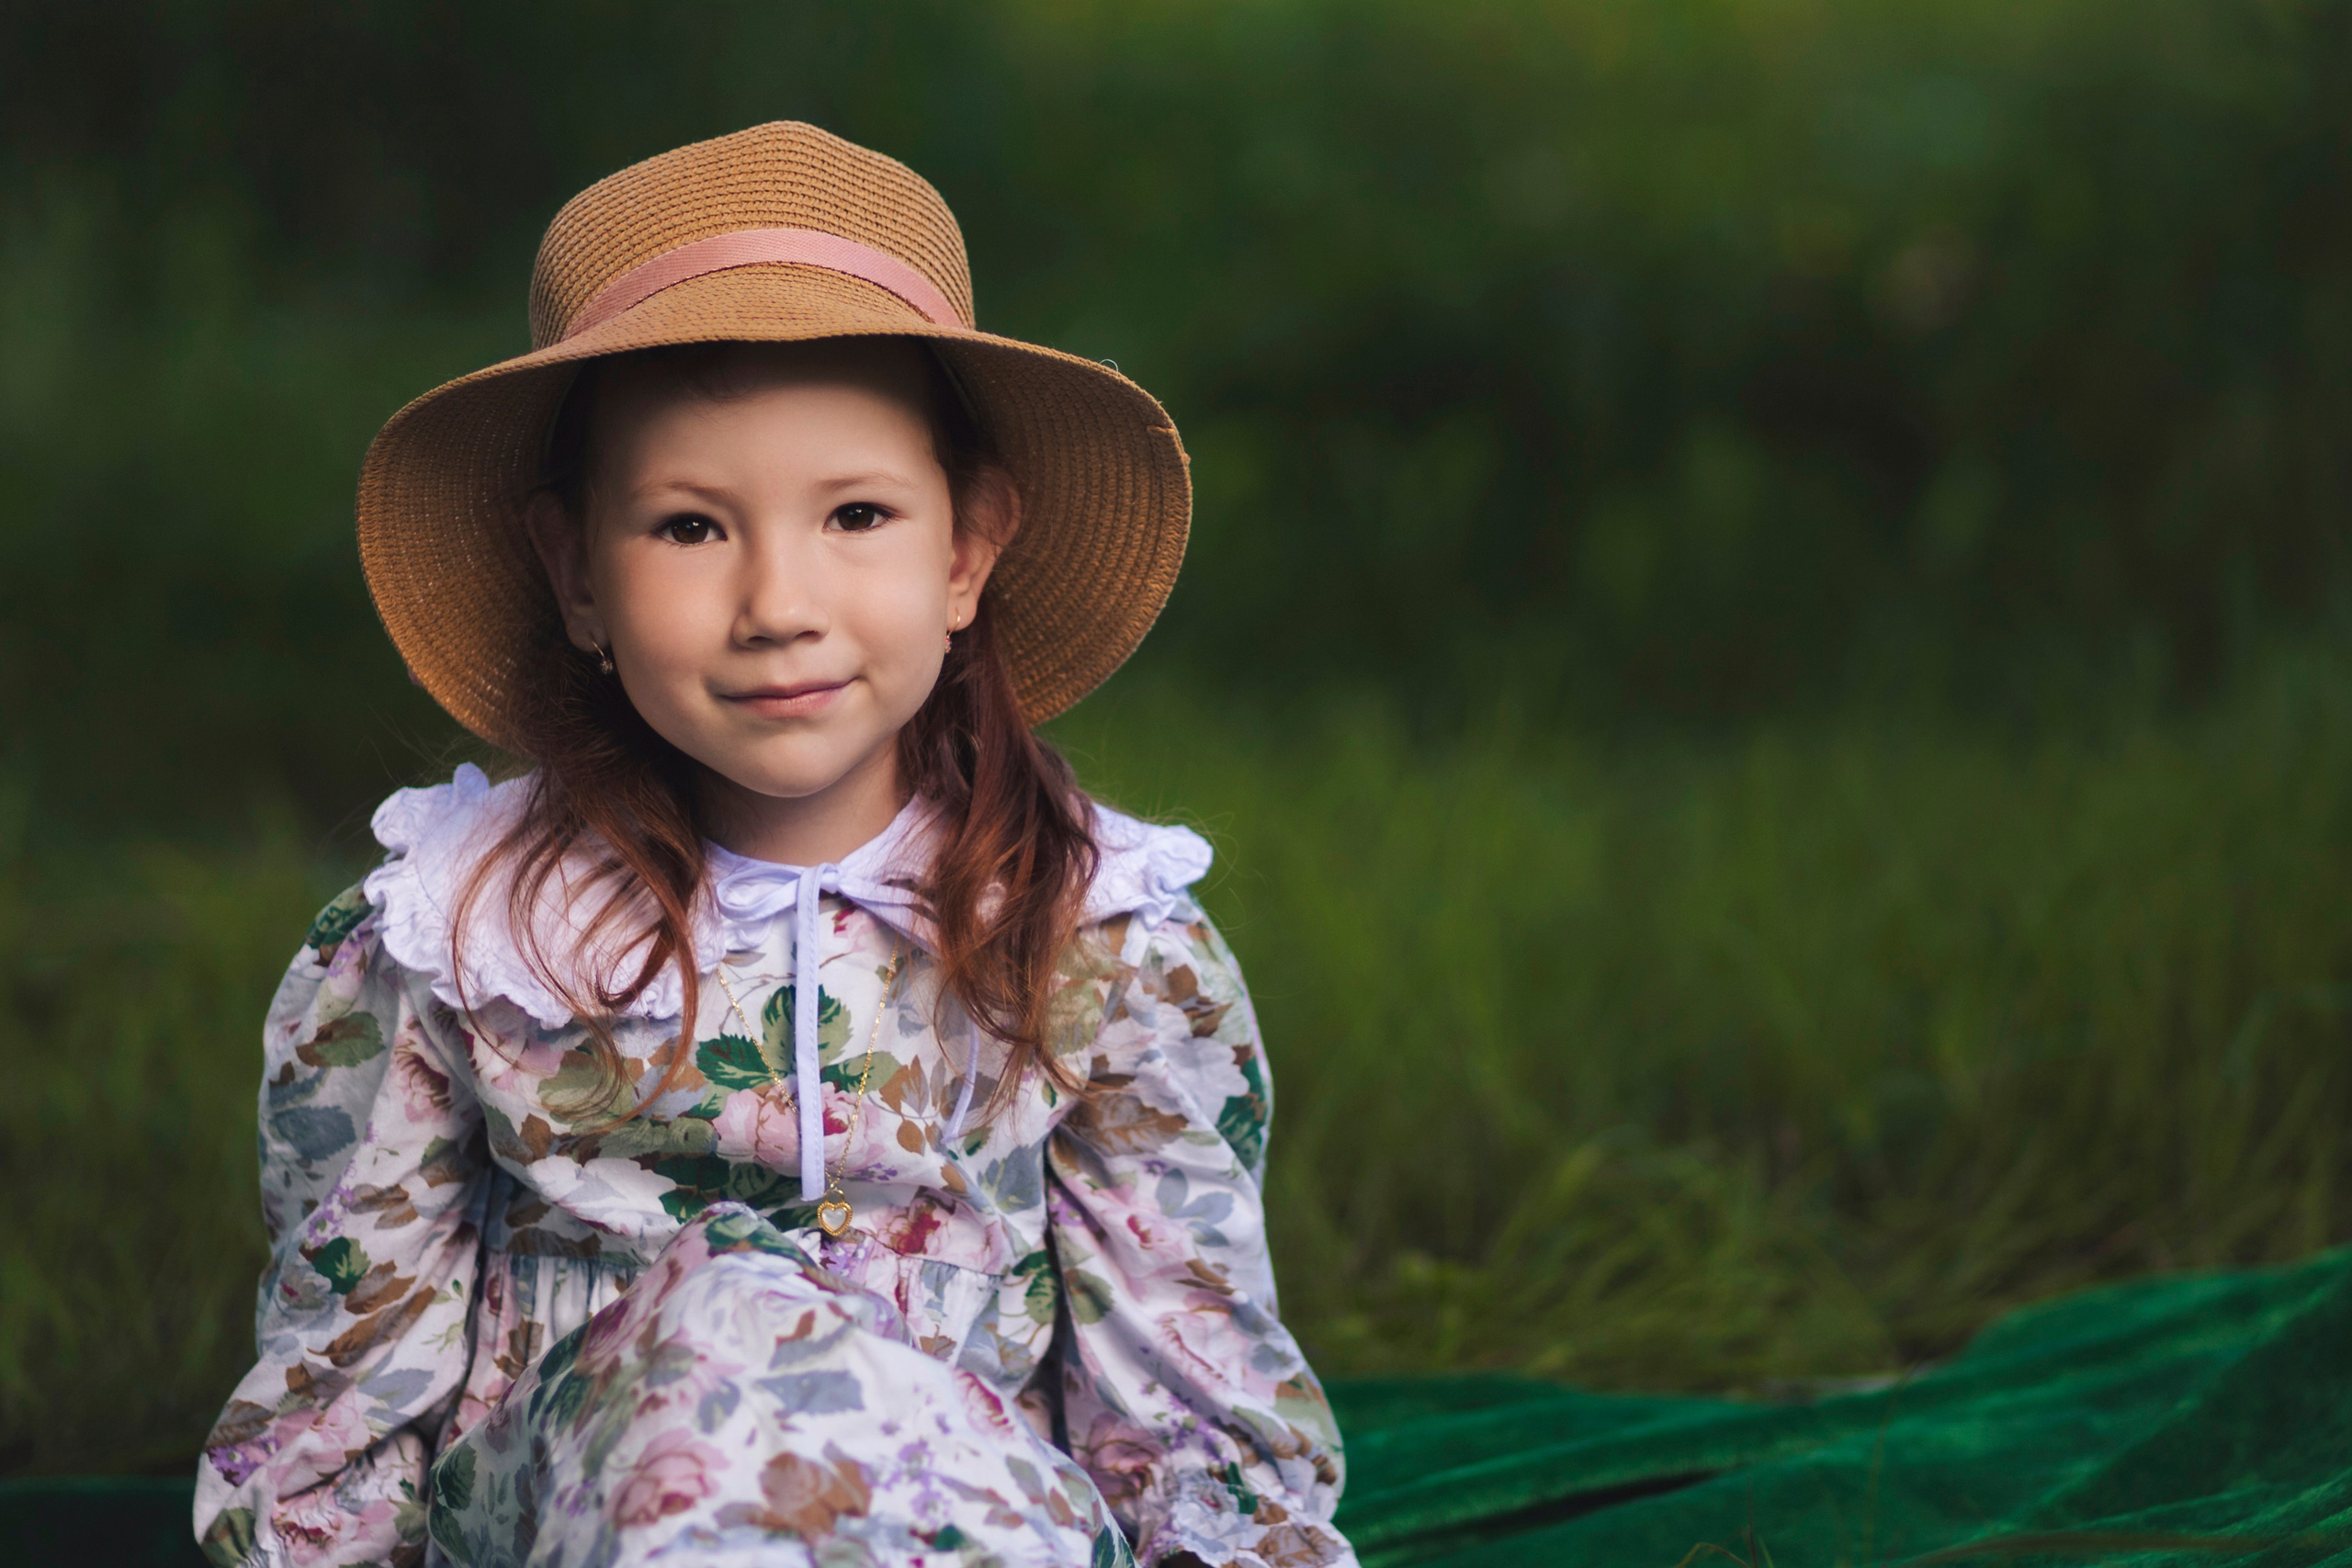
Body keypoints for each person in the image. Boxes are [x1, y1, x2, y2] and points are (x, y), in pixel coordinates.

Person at [193, 122, 1351, 1568]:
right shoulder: (456, 940)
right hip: (596, 1511)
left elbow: (1189, 1391)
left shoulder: (1101, 938)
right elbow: (341, 1390)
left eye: (857, 514)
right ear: (577, 574)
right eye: (689, 529)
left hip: (963, 1518)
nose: (777, 603)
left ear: (965, 552)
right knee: (723, 1324)